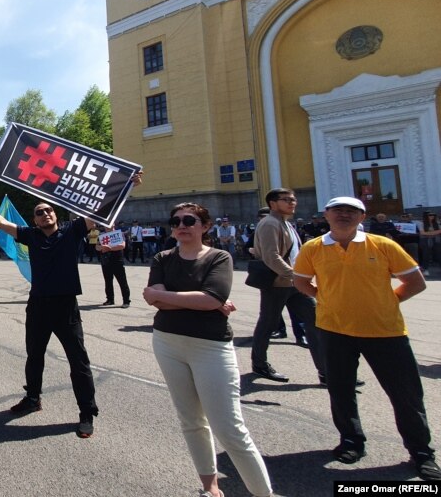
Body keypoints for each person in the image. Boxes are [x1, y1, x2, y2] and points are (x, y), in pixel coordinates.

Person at [293, 196, 440, 481]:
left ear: (362, 217)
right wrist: (322, 298)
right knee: (341, 390)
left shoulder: (382, 245)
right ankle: (351, 441)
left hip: (385, 332)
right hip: (333, 330)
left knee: (406, 395)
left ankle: (421, 452)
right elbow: (300, 281)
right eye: (338, 210)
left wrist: (388, 302)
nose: (344, 215)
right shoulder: (313, 248)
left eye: (352, 211)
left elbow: (415, 282)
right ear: (327, 215)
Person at [143, 202, 273, 497]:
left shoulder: (218, 257)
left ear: (205, 226)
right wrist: (198, 299)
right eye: (175, 220)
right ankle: (211, 488)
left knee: (229, 429)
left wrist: (170, 297)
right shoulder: (162, 257)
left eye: (189, 220)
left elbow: (211, 297)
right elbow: (156, 299)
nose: (181, 225)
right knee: (190, 420)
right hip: (167, 342)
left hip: (210, 346)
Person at [0, 189, 100, 438]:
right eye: (39, 213)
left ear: (56, 214)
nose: (45, 214)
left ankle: (86, 412)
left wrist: (127, 186)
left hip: (65, 307)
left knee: (78, 360)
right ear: (35, 220)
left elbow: (99, 213)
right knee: (34, 355)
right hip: (38, 305)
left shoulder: (72, 231)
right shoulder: (31, 236)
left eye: (48, 210)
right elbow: (1, 223)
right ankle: (32, 398)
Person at [250, 188, 324, 383]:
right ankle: (259, 364)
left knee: (315, 322)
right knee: (267, 323)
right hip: (277, 284)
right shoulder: (269, 223)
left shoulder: (286, 223)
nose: (292, 203)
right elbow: (271, 256)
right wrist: (296, 276)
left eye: (293, 199)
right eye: (286, 200)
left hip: (294, 283)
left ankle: (326, 370)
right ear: (273, 203)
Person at [97, 225, 130, 308]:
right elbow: (97, 246)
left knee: (122, 281)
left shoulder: (119, 234)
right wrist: (100, 247)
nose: (107, 227)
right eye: (105, 226)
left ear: (113, 225)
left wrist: (109, 248)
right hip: (106, 261)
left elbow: (122, 246)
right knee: (108, 282)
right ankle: (110, 299)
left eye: (109, 226)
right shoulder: (102, 236)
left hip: (117, 261)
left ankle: (126, 301)